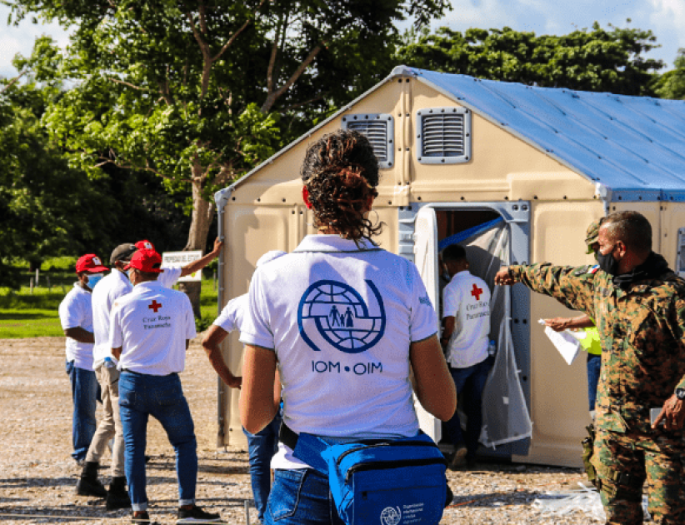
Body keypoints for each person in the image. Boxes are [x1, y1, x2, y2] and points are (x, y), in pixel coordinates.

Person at [238, 129, 456, 524]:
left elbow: (254, 417)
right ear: (370, 199)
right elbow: (442, 404)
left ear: (306, 196)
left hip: (306, 477)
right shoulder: (403, 276)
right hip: (393, 477)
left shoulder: (271, 278)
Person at [494, 211, 685, 525]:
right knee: (619, 514)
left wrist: (681, 394)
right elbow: (556, 276)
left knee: (670, 516)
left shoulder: (672, 295)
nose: (598, 251)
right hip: (613, 427)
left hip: (662, 429)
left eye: (602, 245)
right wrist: (517, 271)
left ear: (621, 248)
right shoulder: (600, 283)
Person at [110, 245, 222, 524]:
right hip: (167, 383)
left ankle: (139, 511)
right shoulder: (179, 299)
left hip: (132, 382)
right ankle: (186, 507)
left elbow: (115, 349)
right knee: (184, 443)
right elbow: (185, 341)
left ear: (134, 272)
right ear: (157, 271)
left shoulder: (122, 303)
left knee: (135, 447)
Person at [201, 249, 286, 523]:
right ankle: (287, 512)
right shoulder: (295, 304)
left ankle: (263, 515)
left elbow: (208, 342)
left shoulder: (240, 303)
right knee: (291, 458)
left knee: (259, 458)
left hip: (255, 391)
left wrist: (230, 379)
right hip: (290, 393)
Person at [76, 245, 136, 509]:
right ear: (123, 264)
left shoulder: (101, 285)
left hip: (100, 358)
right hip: (115, 360)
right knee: (123, 425)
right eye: (136, 263)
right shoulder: (123, 288)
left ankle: (88, 473)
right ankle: (118, 486)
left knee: (109, 421)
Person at [542, 219, 603, 419]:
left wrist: (568, 323)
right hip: (596, 352)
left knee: (602, 415)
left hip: (610, 357)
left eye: (599, 247)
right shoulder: (600, 275)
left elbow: (603, 313)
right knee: (595, 414)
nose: (597, 254)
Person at [439, 244, 492, 469]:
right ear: (465, 262)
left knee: (446, 404)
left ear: (447, 265)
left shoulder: (452, 289)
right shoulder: (481, 285)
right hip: (481, 355)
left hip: (460, 357)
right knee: (474, 406)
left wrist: (443, 342)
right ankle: (472, 453)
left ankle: (458, 443)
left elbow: (449, 322)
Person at [59, 254, 109, 466]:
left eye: (101, 272)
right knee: (86, 411)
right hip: (82, 363)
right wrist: (102, 337)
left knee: (113, 408)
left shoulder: (100, 294)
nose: (99, 276)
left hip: (102, 361)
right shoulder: (73, 299)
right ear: (81, 276)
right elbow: (71, 330)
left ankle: (121, 451)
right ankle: (83, 454)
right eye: (93, 274)